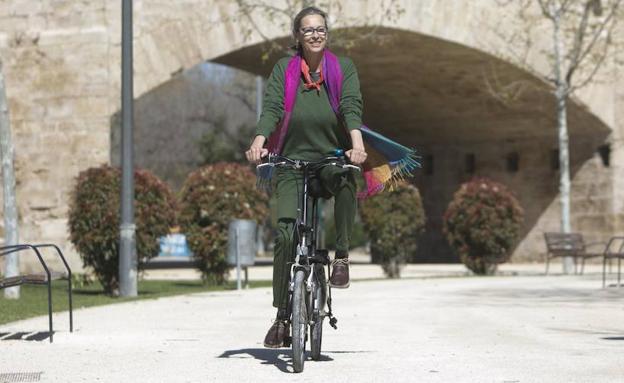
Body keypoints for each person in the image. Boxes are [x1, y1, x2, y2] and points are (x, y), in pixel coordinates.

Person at [245, 6, 367, 348]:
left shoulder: (342, 68)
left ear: (326, 34)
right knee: (285, 236)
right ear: (297, 36)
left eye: (321, 29)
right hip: (288, 162)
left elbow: (350, 106)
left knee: (346, 180)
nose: (316, 34)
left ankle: (340, 257)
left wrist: (356, 145)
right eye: (308, 30)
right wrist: (259, 142)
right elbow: (271, 108)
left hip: (329, 158)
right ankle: (282, 317)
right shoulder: (284, 69)